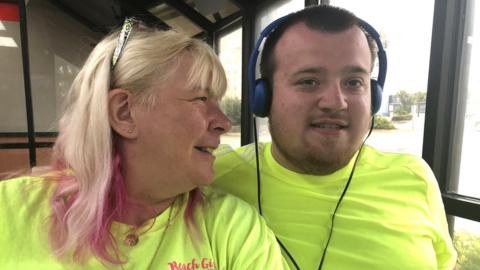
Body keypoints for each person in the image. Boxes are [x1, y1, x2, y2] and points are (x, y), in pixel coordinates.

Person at [0, 19, 288, 269]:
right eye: (201, 99)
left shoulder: (233, 228)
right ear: (124, 112)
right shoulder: (9, 210)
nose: (224, 121)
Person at [213, 5, 457, 270]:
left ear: (373, 96)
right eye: (309, 81)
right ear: (264, 96)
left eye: (354, 82)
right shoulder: (211, 178)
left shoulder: (414, 177)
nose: (335, 102)